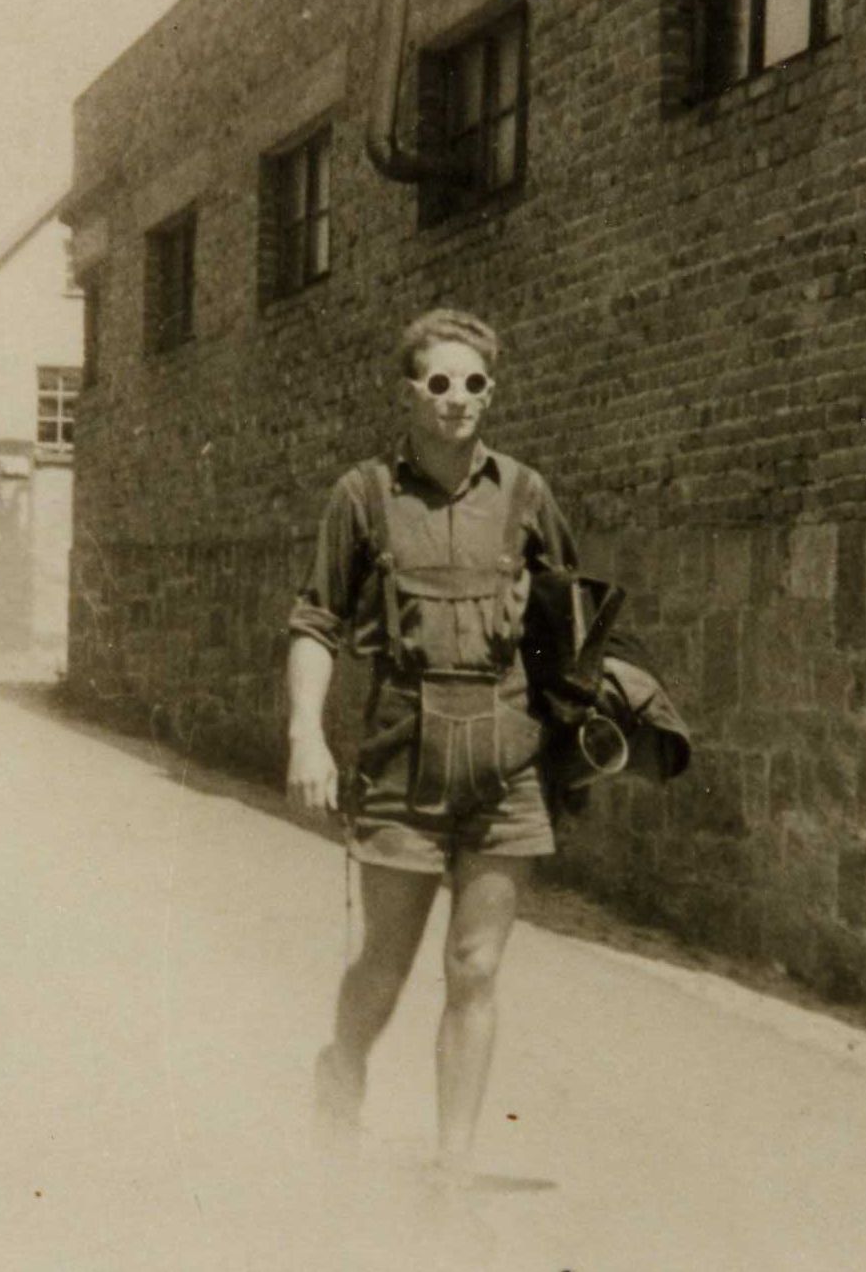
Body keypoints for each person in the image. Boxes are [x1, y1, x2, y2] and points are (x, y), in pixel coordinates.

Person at [284, 308, 577, 1182]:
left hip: (505, 755)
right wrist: (308, 735)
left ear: (493, 391)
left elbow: (573, 623)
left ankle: (453, 1165)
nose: (458, 401)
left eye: (475, 384)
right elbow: (315, 621)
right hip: (402, 752)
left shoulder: (526, 493)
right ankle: (341, 1069)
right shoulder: (364, 495)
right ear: (408, 391)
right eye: (440, 383)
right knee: (387, 960)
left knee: (476, 964)